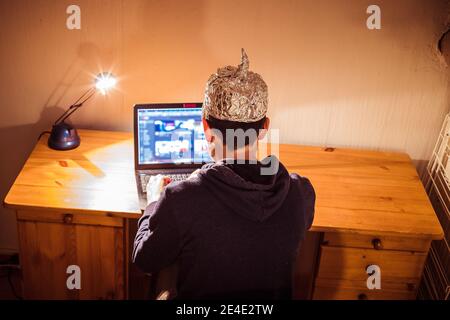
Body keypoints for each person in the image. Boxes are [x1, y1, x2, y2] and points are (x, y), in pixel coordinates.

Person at [133, 49, 315, 299]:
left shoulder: (180, 199)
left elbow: (144, 259)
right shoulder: (300, 193)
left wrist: (154, 201)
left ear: (205, 126)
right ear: (264, 128)